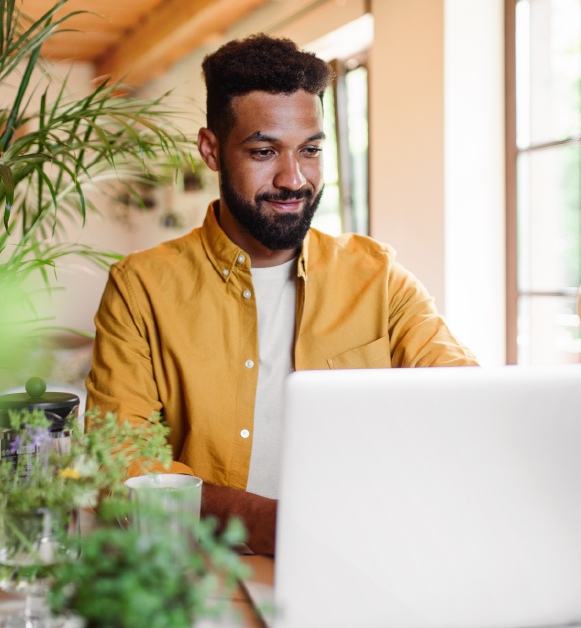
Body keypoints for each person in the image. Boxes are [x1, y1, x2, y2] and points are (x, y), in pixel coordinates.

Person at [86, 34, 478, 555]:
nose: (294, 179)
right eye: (264, 151)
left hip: (359, 557)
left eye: (311, 150)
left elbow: (465, 403)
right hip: (206, 569)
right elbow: (120, 460)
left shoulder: (379, 278)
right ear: (211, 150)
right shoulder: (141, 288)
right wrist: (266, 523)